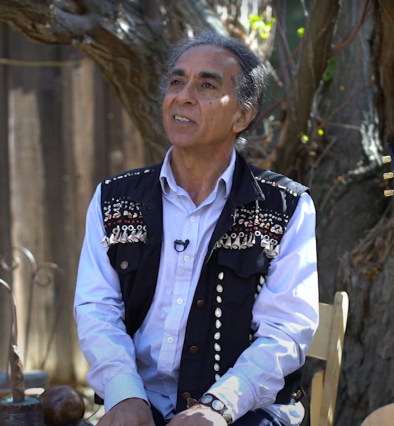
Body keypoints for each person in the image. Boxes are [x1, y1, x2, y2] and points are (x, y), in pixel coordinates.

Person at [74, 30, 318, 426]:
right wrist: (123, 393)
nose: (182, 96)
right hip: (141, 400)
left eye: (206, 85)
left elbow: (286, 333)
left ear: (242, 115)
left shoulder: (286, 208)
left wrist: (218, 407)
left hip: (246, 409)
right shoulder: (113, 199)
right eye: (176, 81)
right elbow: (97, 309)